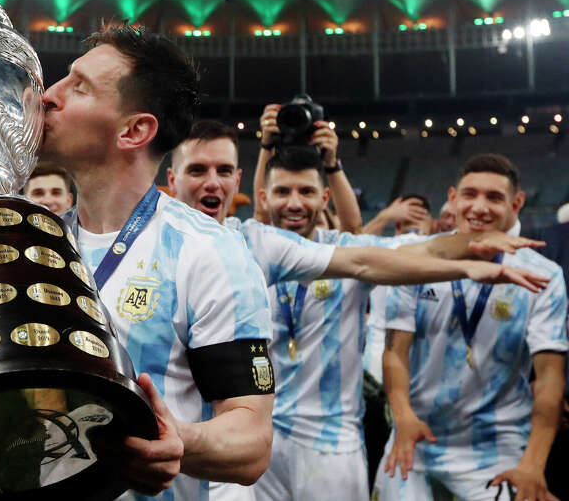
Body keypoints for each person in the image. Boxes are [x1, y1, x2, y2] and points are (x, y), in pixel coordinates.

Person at [0, 26, 276, 501]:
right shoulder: (31, 240)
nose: (46, 96)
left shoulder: (206, 251)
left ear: (134, 130)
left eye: (78, 86)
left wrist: (178, 441)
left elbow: (251, 441)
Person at [166, 127, 550, 501]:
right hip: (245, 434)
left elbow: (389, 255)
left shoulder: (261, 243)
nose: (295, 203)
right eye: (198, 170)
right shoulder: (159, 248)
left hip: (329, 443)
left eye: (224, 171)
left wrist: (470, 246)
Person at [377, 154, 567, 501]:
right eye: (470, 195)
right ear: (453, 198)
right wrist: (402, 415)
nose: (479, 207)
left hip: (496, 447)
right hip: (414, 437)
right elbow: (394, 350)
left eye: (494, 198)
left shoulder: (543, 276)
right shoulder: (416, 261)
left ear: (517, 203)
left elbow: (550, 379)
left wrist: (534, 464)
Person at [253, 103, 362, 233]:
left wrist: (332, 164)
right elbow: (261, 216)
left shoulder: (329, 244)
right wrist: (266, 145)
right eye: (282, 192)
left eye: (306, 191)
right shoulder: (259, 242)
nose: (295, 204)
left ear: (324, 198)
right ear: (264, 198)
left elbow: (353, 231)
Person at [362, 195, 433, 236]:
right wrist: (384, 217)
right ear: (398, 227)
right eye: (407, 222)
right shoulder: (385, 247)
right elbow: (355, 247)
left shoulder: (437, 245)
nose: (413, 220)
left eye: (419, 217)